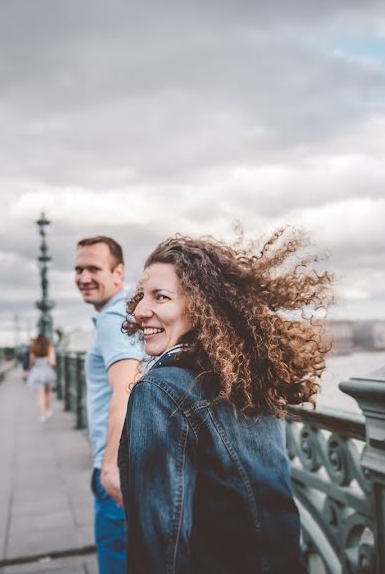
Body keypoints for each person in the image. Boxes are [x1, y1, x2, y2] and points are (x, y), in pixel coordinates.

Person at [119, 228, 332, 574]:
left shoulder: (159, 391)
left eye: (160, 297)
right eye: (142, 296)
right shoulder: (248, 380)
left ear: (201, 308)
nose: (140, 310)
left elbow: (162, 545)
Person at [74, 235, 143, 574]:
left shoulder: (113, 318)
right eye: (78, 269)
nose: (83, 277)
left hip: (117, 470)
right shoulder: (122, 313)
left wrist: (110, 466)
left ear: (118, 273)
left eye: (93, 269)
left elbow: (126, 387)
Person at [26, 335, 56, 421]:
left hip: (37, 372)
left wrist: (29, 372)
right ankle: (48, 410)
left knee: (40, 395)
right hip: (47, 372)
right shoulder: (49, 348)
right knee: (47, 393)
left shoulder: (33, 349)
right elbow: (52, 362)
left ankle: (42, 415)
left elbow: (31, 363)